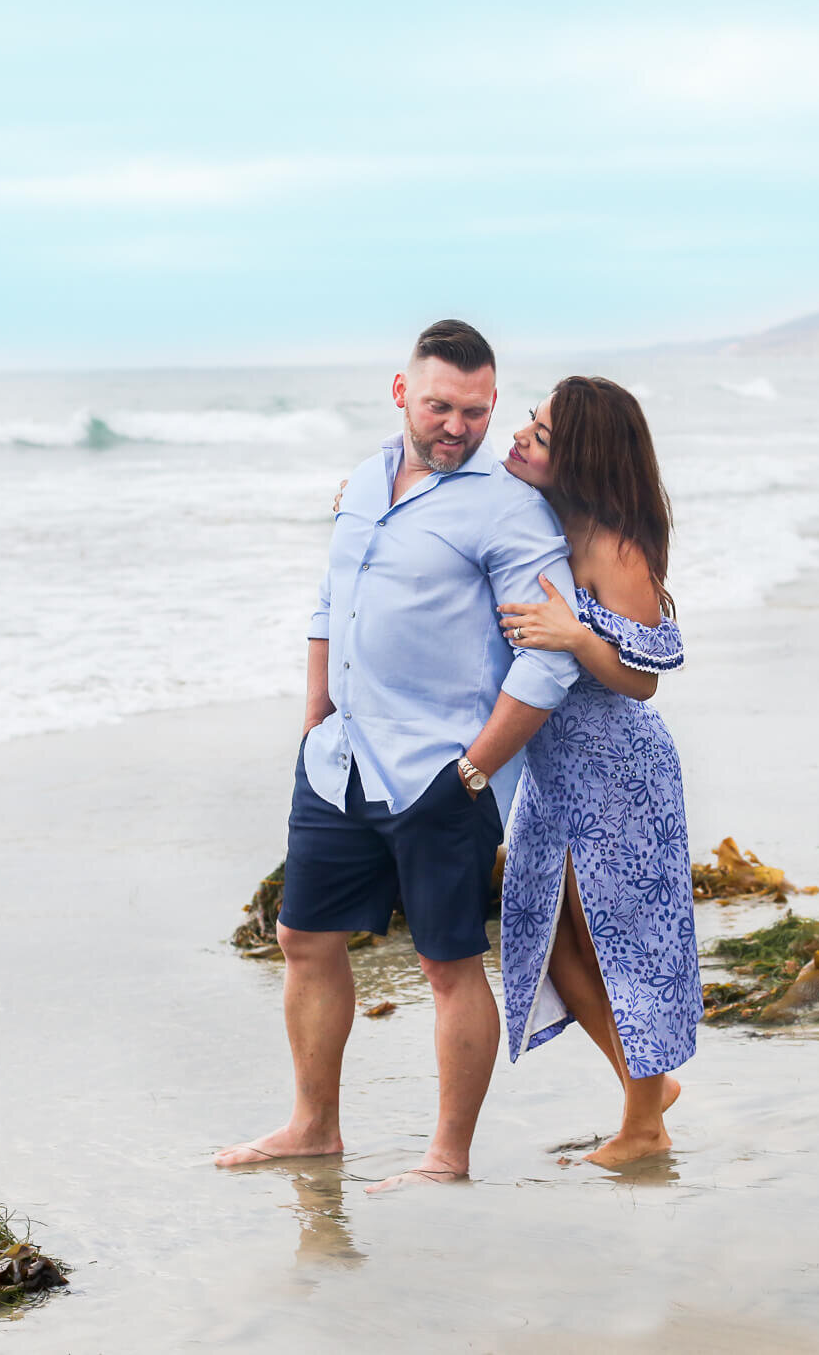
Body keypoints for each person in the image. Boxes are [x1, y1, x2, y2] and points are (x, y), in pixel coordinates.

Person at [214, 320, 581, 1192]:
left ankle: (445, 1157)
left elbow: (550, 654)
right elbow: (328, 599)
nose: (457, 426)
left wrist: (479, 767)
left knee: (448, 962)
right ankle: (314, 1126)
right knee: (303, 937)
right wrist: (314, 723)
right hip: (340, 762)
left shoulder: (508, 507)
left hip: (440, 772)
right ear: (400, 393)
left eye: (477, 411)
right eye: (440, 406)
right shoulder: (366, 481)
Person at [493, 376, 698, 1169]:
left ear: (579, 456)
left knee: (625, 942)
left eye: (540, 435)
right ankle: (644, 1086)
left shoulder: (617, 547)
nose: (520, 436)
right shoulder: (542, 523)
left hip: (621, 775)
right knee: (544, 936)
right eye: (531, 424)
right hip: (553, 778)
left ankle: (643, 1123)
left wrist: (578, 637)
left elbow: (647, 673)